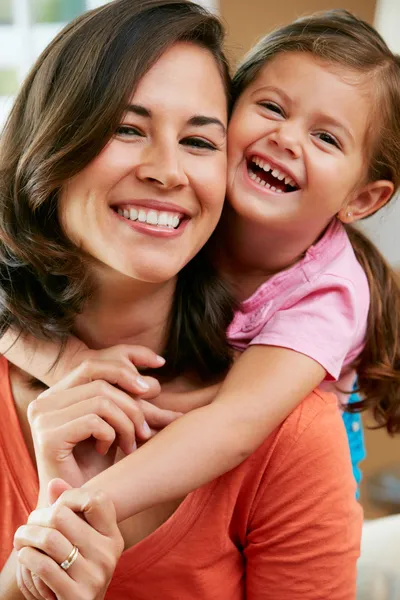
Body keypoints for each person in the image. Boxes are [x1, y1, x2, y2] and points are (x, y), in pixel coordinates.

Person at [0, 2, 361, 599]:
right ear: (52, 138)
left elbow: (239, 425)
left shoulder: (289, 430)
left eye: (198, 141)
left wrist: (78, 512)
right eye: (127, 128)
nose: (168, 172)